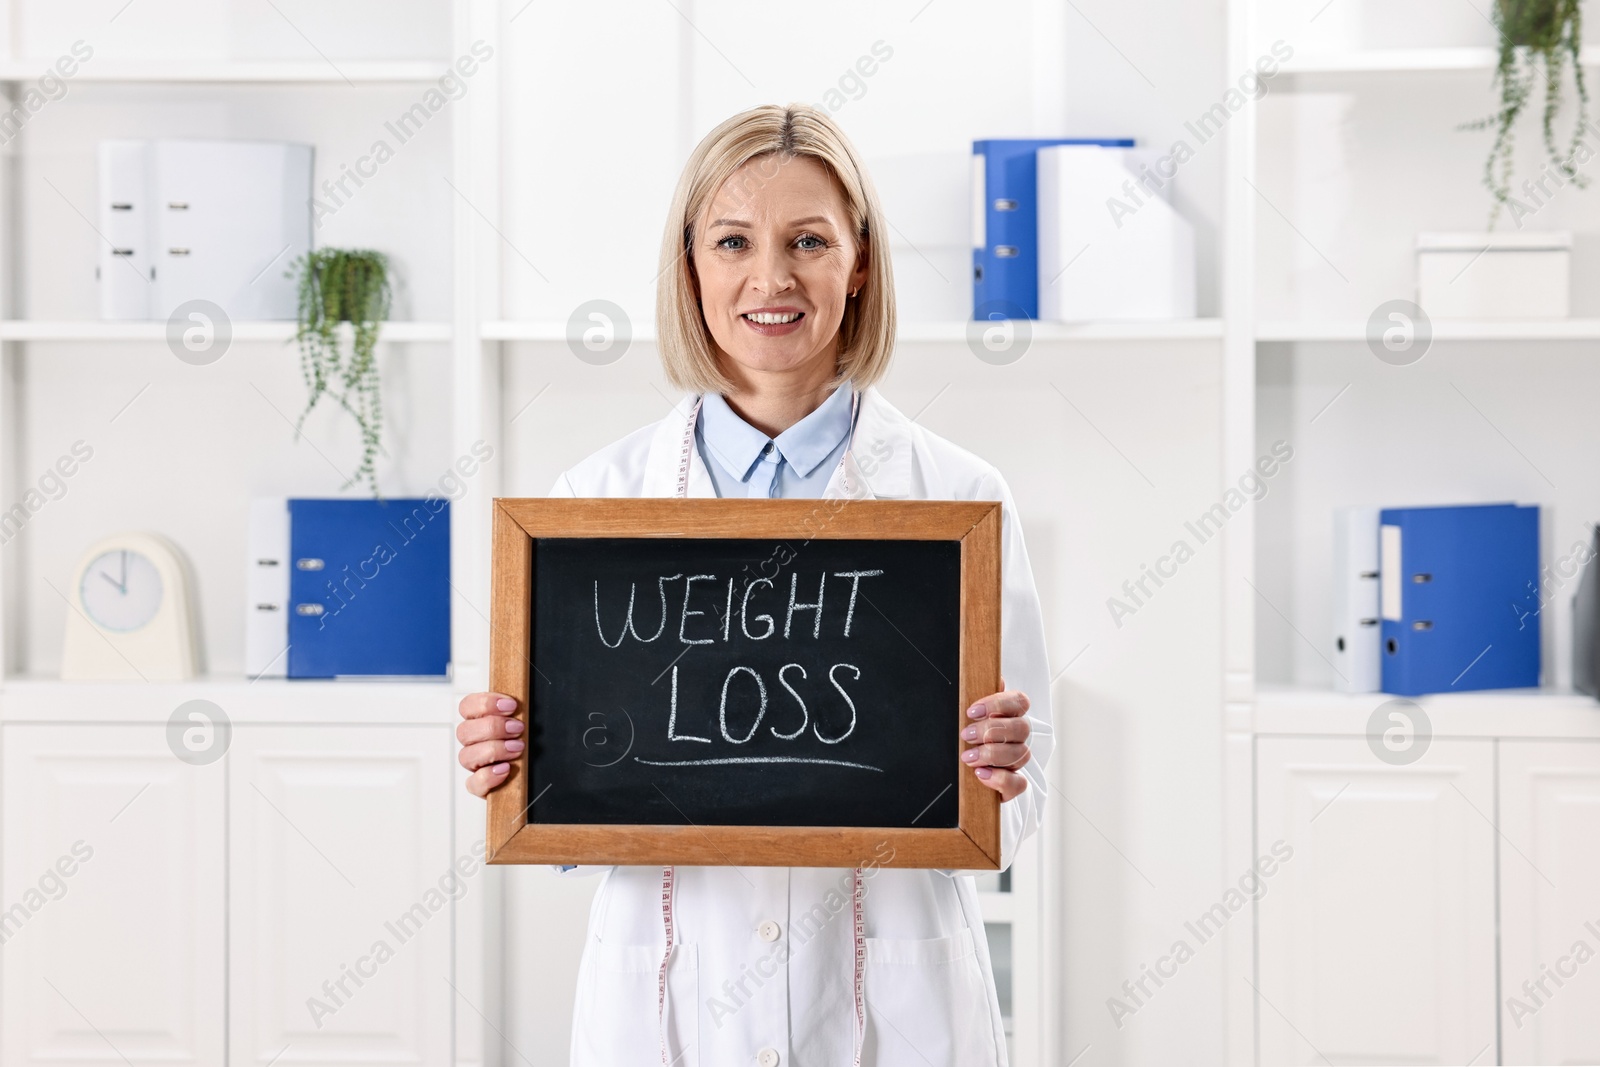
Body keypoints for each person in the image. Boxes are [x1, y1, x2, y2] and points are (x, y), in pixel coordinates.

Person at [457, 103, 1053, 1066]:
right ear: (690, 268)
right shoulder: (595, 505)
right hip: (669, 994)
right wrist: (516, 760)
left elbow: (1026, 788)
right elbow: (570, 815)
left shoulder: (958, 501)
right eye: (733, 240)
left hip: (894, 999)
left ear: (859, 265)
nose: (770, 277)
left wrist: (1004, 768)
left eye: (808, 240)